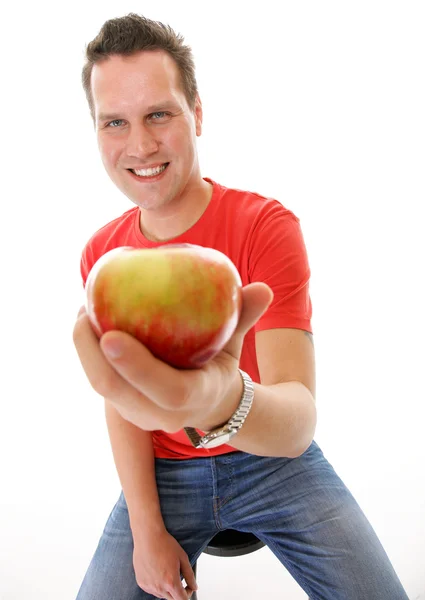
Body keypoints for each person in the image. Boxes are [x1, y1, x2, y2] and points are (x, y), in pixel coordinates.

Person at [72, 13, 408, 600]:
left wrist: (222, 401)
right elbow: (123, 402)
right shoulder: (102, 256)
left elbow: (298, 417)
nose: (140, 145)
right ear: (96, 132)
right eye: (115, 123)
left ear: (197, 113)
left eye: (159, 114)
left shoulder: (265, 227)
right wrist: (146, 530)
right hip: (162, 473)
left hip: (272, 460)